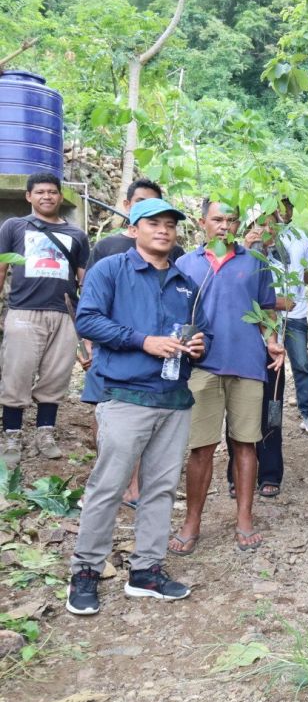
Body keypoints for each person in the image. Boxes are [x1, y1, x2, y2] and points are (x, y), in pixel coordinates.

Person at [67, 197, 209, 615]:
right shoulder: (110, 270)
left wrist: (199, 345)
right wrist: (143, 340)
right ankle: (86, 572)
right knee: (108, 487)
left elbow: (199, 334)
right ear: (134, 229)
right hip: (125, 396)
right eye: (153, 223)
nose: (163, 230)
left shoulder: (186, 284)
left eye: (170, 224)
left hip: (173, 399)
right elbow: (88, 320)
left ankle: (146, 570)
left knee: (162, 488)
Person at [171, 200, 284, 554]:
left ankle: (244, 518)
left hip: (248, 364)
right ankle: (192, 520)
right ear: (202, 222)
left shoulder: (255, 263)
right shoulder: (185, 264)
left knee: (245, 443)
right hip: (202, 367)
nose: (224, 226)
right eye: (217, 219)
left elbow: (266, 309)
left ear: (239, 224)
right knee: (201, 447)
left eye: (231, 220)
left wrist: (273, 341)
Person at [82, 178, 176, 508]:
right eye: (141, 205)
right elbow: (89, 309)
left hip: (152, 364)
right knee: (107, 416)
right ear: (128, 209)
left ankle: (135, 485)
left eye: (164, 219)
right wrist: (88, 344)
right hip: (110, 353)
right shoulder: (107, 250)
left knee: (144, 421)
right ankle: (110, 483)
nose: (159, 228)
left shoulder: (170, 254)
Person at [0, 172, 90, 465]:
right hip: (24, 311)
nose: (47, 196)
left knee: (56, 376)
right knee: (16, 374)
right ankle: (12, 436)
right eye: (40, 192)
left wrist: (86, 319)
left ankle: (45, 433)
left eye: (52, 192)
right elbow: (2, 269)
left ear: (60, 196)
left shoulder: (76, 234)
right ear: (29, 196)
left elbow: (84, 280)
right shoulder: (13, 226)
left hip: (63, 313)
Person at [222, 215, 296, 499]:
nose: (265, 231)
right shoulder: (238, 257)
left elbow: (290, 299)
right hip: (239, 345)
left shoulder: (285, 257)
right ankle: (237, 474)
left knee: (271, 409)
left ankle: (270, 472)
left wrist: (272, 336)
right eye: (259, 224)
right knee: (237, 413)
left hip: (270, 340)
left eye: (271, 225)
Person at [275, 197, 308, 436]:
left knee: (302, 363)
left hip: (296, 311)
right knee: (270, 366)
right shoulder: (261, 235)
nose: (283, 211)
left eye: (288, 206)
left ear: (293, 209)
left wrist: (299, 272)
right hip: (267, 313)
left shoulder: (303, 237)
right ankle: (271, 415)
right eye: (279, 206)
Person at [86, 179, 184, 268]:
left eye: (152, 203)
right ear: (127, 205)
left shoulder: (173, 250)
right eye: (140, 202)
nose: (146, 207)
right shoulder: (105, 246)